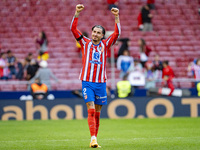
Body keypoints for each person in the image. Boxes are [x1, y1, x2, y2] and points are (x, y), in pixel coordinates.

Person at [70, 4, 120, 148]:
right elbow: (73, 29)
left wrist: (116, 17)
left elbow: (116, 34)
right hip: (87, 82)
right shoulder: (84, 42)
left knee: (97, 113)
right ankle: (93, 138)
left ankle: (95, 138)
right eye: (94, 32)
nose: (95, 34)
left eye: (99, 32)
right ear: (91, 33)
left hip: (101, 83)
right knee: (91, 110)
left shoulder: (105, 44)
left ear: (102, 35)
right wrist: (77, 13)